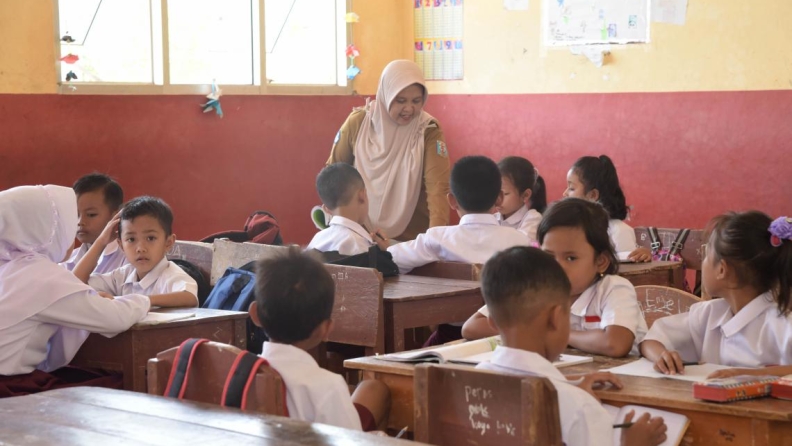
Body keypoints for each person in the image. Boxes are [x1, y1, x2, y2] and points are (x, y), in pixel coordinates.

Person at [475, 246, 667, 446]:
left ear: (493, 323)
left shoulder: (471, 381)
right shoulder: (579, 408)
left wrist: (566, 383)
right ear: (557, 318)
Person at [0, 185, 149, 396]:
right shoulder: (42, 274)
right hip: (9, 389)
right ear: (48, 230)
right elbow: (116, 318)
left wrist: (89, 299)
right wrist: (145, 300)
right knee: (125, 385)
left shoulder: (8, 265)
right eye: (68, 224)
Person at [463, 198, 647, 358]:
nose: (557, 267)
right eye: (549, 256)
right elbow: (472, 326)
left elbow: (615, 343)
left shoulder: (614, 289)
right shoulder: (535, 286)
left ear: (601, 261)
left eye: (571, 258)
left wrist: (553, 334)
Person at [249, 248, 390, 431]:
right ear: (326, 329)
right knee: (374, 391)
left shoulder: (241, 373)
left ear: (255, 315)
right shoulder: (327, 386)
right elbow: (350, 440)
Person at [640, 212, 792, 378]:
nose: (703, 263)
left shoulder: (783, 324)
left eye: (706, 256)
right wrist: (661, 356)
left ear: (721, 270)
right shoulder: (708, 314)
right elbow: (651, 340)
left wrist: (752, 374)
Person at [327, 59, 450, 241]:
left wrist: (435, 241)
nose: (409, 108)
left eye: (417, 101)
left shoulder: (428, 130)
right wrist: (333, 225)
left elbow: (438, 188)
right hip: (358, 235)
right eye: (400, 101)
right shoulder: (359, 123)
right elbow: (333, 174)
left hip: (411, 240)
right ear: (386, 95)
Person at [387, 155, 531, 274]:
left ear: (452, 201)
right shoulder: (521, 242)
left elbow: (388, 260)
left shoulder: (435, 239)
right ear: (499, 198)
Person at [73, 196, 198, 308]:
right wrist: (101, 241)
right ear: (121, 245)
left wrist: (132, 301)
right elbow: (74, 283)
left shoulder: (171, 275)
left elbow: (189, 298)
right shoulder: (122, 276)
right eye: (131, 239)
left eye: (150, 238)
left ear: (168, 243)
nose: (140, 248)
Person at [563, 155, 651, 262]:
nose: (565, 193)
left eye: (572, 188)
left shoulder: (619, 231)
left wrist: (641, 256)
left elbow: (630, 266)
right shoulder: (572, 227)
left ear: (592, 195)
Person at [307, 163, 388, 255]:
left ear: (326, 209)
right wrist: (387, 254)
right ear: (362, 195)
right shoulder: (363, 248)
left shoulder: (316, 241)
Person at [62, 173, 127, 273]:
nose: (80, 222)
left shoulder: (128, 257)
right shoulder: (67, 260)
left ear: (116, 216)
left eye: (91, 214)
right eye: (76, 214)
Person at [495, 156, 547, 242]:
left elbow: (520, 244)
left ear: (525, 195)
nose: (497, 199)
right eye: (494, 192)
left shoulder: (532, 219)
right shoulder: (493, 218)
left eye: (505, 194)